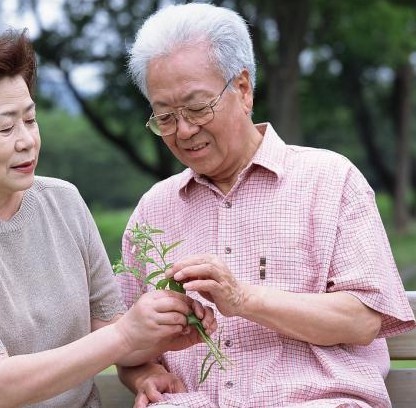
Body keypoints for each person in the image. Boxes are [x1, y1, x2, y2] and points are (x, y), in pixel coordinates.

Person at [0, 30, 217, 408]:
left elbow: (107, 327)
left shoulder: (63, 201)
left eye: (30, 119)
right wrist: (127, 335)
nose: (27, 140)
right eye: (6, 127)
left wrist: (154, 343)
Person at [115, 3, 416, 408]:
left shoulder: (329, 179)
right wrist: (144, 374)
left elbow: (363, 320)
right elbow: (128, 345)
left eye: (197, 107)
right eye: (165, 117)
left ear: (242, 90)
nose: (183, 130)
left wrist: (243, 299)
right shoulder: (154, 210)